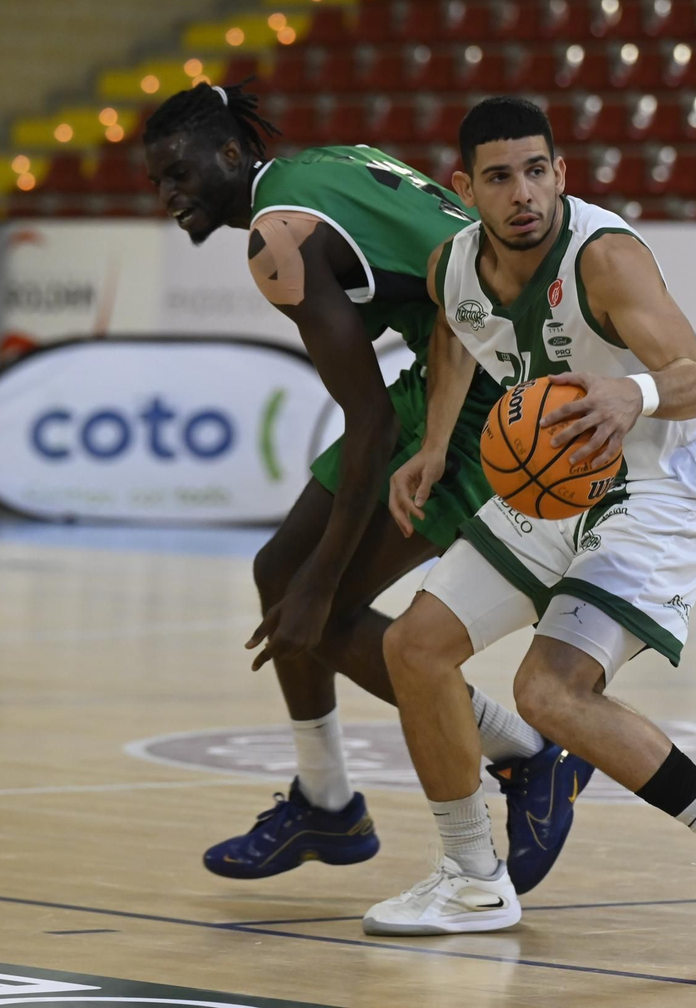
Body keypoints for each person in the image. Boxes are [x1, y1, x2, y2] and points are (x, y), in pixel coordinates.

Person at [361, 98, 696, 961]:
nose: (523, 192)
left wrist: (633, 393)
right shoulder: (452, 267)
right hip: (561, 474)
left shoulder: (605, 259)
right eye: (499, 177)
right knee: (414, 649)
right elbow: (460, 341)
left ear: (561, 173)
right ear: (466, 188)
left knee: (551, 691)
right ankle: (471, 880)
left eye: (537, 170)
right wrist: (431, 447)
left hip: (664, 483)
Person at [141, 81, 592, 893]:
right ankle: (326, 802)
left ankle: (530, 758)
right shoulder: (322, 165)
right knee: (279, 572)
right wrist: (306, 580)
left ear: (233, 154)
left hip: (490, 384)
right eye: (156, 181)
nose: (168, 195)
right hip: (460, 354)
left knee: (322, 610)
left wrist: (323, 585)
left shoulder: (277, 240)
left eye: (178, 172)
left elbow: (374, 425)